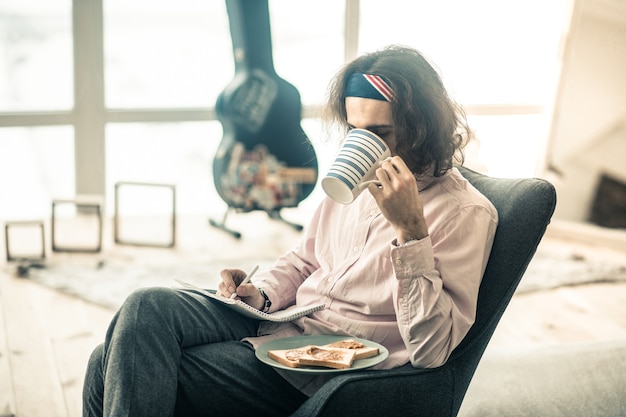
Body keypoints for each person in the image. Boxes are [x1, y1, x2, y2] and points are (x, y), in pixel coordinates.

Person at [82, 45, 498, 417]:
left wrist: (410, 232)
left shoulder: (464, 213)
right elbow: (304, 260)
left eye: (379, 134)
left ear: (422, 126)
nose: (362, 146)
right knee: (145, 307)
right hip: (279, 322)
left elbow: (433, 349)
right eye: (354, 130)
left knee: (108, 363)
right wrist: (259, 292)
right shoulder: (353, 185)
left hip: (319, 368)